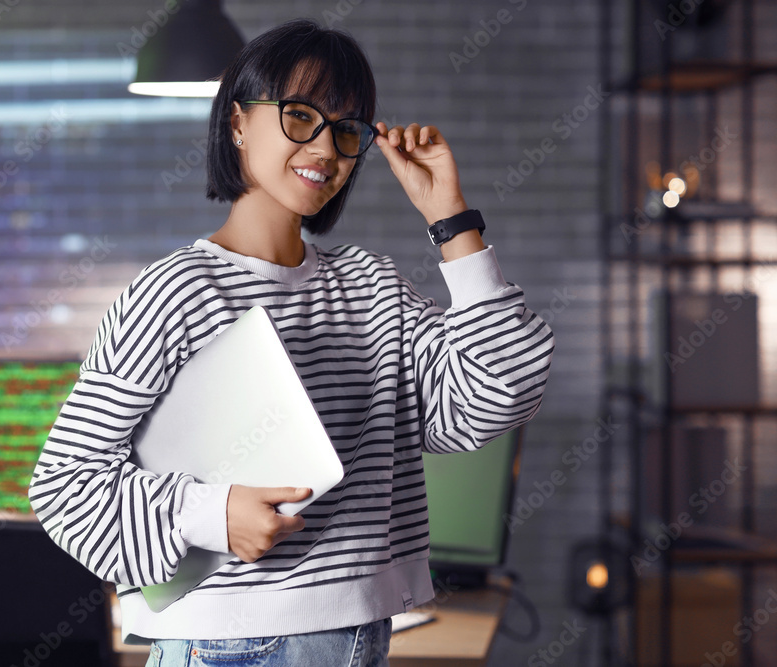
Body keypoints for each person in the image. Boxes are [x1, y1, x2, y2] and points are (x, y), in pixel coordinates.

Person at [29, 17, 554, 667]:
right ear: (239, 122)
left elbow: (499, 393)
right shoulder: (174, 291)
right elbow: (65, 485)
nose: (326, 147)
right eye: (301, 116)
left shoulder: (371, 286)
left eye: (346, 129)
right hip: (230, 645)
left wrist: (452, 221)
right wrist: (212, 513)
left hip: (363, 633)